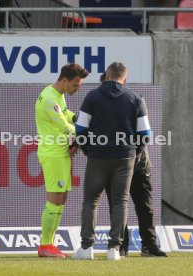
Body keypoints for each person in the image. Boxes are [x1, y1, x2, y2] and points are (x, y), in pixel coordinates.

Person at [73, 62, 151, 260]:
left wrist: (87, 150)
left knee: (91, 201)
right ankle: (114, 249)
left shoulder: (92, 96)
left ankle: (86, 248)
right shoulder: (135, 98)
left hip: (97, 156)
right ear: (124, 78)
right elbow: (145, 134)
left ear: (107, 75)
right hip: (125, 158)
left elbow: (80, 129)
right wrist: (134, 151)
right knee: (120, 202)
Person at [100, 72, 167, 258]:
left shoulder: (134, 101)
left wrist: (134, 154)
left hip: (138, 164)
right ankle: (121, 245)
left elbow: (144, 135)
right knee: (118, 206)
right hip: (113, 165)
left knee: (144, 206)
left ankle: (149, 245)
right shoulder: (98, 105)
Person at [35, 63, 88, 258]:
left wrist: (78, 118)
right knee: (55, 198)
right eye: (76, 85)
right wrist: (88, 131)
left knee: (61, 198)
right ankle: (45, 246)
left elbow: (65, 115)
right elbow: (65, 127)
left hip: (61, 152)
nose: (78, 88)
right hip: (53, 154)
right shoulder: (50, 98)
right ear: (64, 80)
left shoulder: (57, 95)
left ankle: (49, 244)